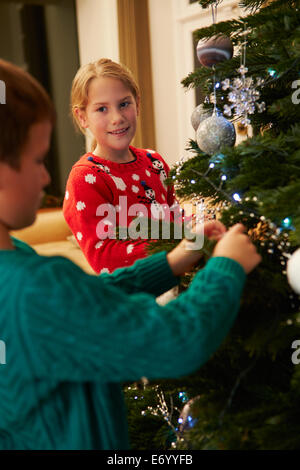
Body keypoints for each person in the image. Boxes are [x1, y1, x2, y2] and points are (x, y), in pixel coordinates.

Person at [0, 58, 261, 450]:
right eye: (38, 160)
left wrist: (173, 260)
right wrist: (227, 266)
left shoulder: (16, 260)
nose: (46, 177)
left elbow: (89, 298)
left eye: (124, 104)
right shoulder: (35, 285)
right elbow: (177, 341)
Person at [63, 58, 182, 274]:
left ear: (137, 103)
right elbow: (104, 257)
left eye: (124, 104)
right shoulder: (86, 178)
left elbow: (176, 220)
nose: (117, 118)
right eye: (102, 109)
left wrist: (196, 236)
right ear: (82, 117)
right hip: (131, 299)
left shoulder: (155, 162)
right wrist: (179, 248)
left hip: (178, 282)